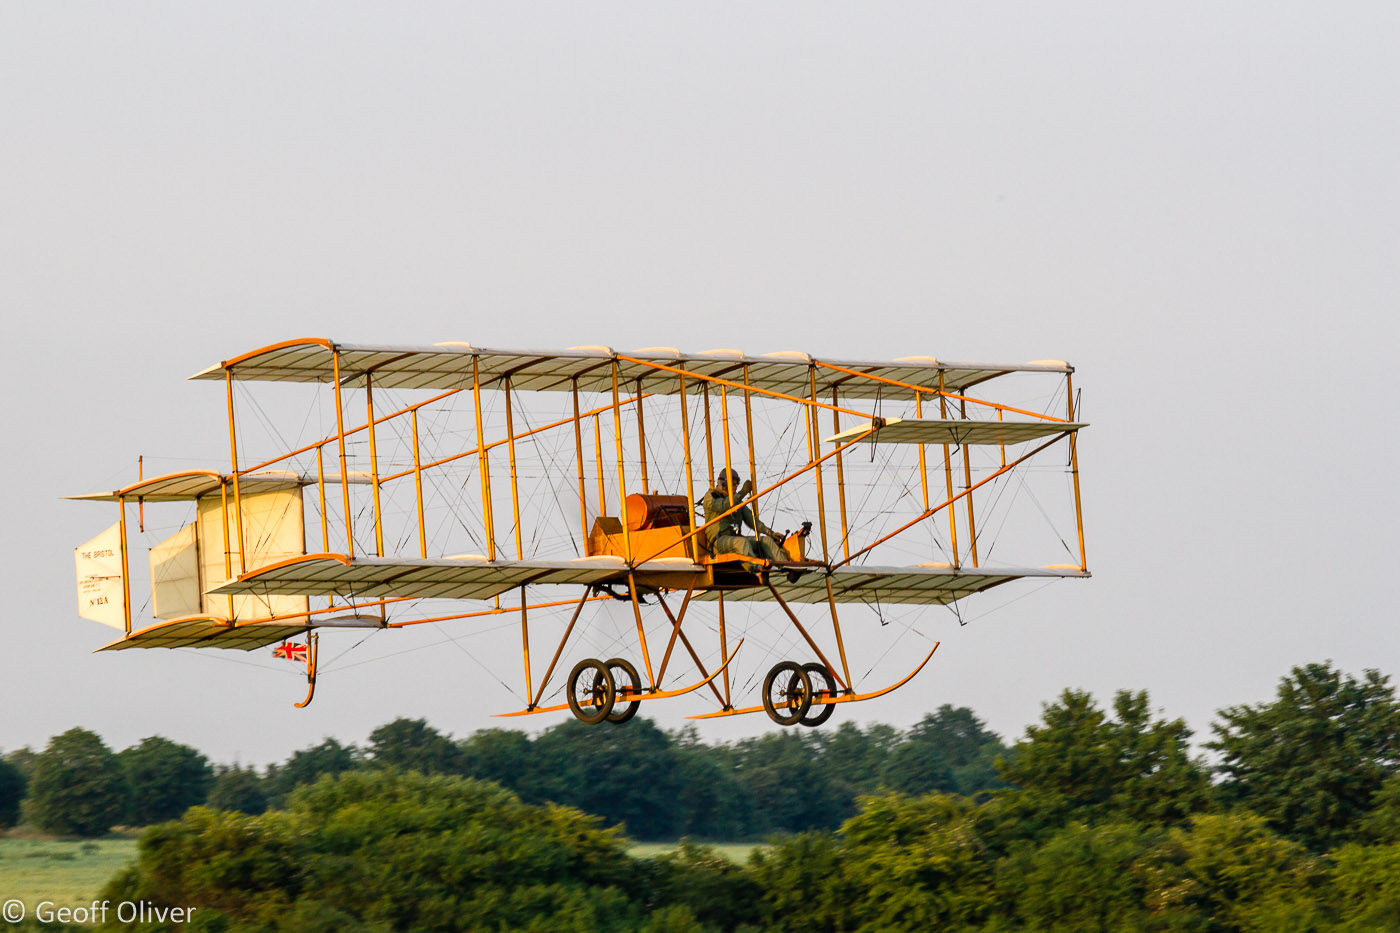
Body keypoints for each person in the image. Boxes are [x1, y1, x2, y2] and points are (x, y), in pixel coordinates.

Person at [697, 468, 790, 572]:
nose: (736, 486)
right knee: (742, 543)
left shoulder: (737, 501)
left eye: (737, 483)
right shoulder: (711, 497)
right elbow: (723, 506)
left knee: (765, 541)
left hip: (735, 539)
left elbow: (752, 520)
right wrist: (742, 493)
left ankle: (786, 567)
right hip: (719, 542)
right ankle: (756, 569)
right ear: (724, 483)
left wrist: (770, 533)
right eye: (734, 483)